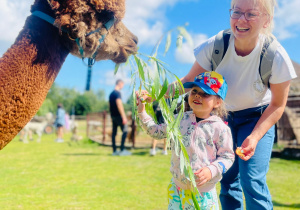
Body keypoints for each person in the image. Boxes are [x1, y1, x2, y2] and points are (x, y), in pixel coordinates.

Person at [177, 0, 297, 209]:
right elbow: (188, 81)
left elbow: (278, 104)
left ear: (266, 20)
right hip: (222, 119)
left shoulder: (275, 56)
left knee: (252, 180)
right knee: (227, 179)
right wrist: (155, 94)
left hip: (257, 117)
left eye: (251, 14)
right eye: (236, 12)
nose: (241, 20)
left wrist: (255, 136)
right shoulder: (216, 46)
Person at [136, 72, 234, 210]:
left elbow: (227, 156)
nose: (198, 95)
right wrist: (142, 112)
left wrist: (211, 170)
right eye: (194, 91)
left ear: (218, 102)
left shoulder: (220, 128)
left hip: (203, 193)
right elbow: (156, 132)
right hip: (177, 189)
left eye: (205, 93)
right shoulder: (179, 119)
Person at [109, 79, 131, 156]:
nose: (123, 87)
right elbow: (119, 104)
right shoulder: (117, 93)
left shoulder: (111, 94)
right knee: (125, 131)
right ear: (120, 84)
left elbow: (109, 106)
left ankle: (114, 151)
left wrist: (111, 116)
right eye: (123, 85)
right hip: (119, 116)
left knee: (114, 134)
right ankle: (122, 150)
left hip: (113, 116)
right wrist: (124, 117)